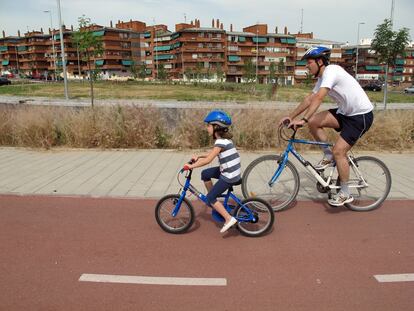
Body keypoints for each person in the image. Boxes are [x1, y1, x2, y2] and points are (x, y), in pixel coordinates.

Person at [280, 46, 374, 207]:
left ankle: (345, 193)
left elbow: (319, 98)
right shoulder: (321, 78)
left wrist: (303, 119)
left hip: (360, 116)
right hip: (345, 113)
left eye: (309, 62)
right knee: (315, 122)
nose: (306, 66)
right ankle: (328, 155)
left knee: (339, 151)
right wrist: (292, 116)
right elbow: (310, 98)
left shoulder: (331, 71)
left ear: (319, 61)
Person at [183, 110, 241, 233]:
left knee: (210, 197)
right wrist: (199, 156)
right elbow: (211, 154)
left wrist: (191, 166)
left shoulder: (220, 142)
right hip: (229, 171)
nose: (206, 128)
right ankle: (214, 200)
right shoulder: (224, 141)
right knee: (206, 174)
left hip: (229, 176)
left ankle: (228, 218)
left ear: (216, 127)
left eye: (208, 125)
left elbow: (209, 160)